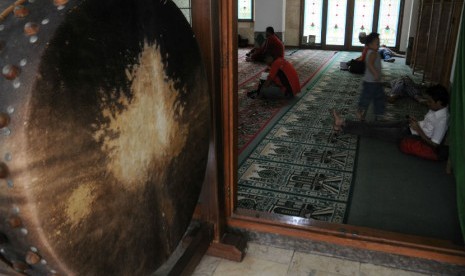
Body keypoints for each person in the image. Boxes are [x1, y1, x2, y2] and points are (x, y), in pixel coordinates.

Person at [332, 84, 449, 160]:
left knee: (373, 131)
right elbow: (427, 124)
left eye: (430, 101)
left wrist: (418, 129)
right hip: (409, 126)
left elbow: (434, 145)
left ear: (439, 102)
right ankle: (351, 122)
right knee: (377, 124)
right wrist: (416, 122)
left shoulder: (442, 120)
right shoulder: (436, 109)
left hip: (408, 135)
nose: (427, 103)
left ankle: (343, 125)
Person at [357, 32, 384, 120]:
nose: (379, 45)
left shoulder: (371, 51)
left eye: (379, 43)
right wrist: (376, 74)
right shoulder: (373, 53)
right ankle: (362, 111)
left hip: (373, 82)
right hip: (371, 82)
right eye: (377, 43)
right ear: (370, 44)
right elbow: (370, 64)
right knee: (368, 97)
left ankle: (377, 113)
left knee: (376, 97)